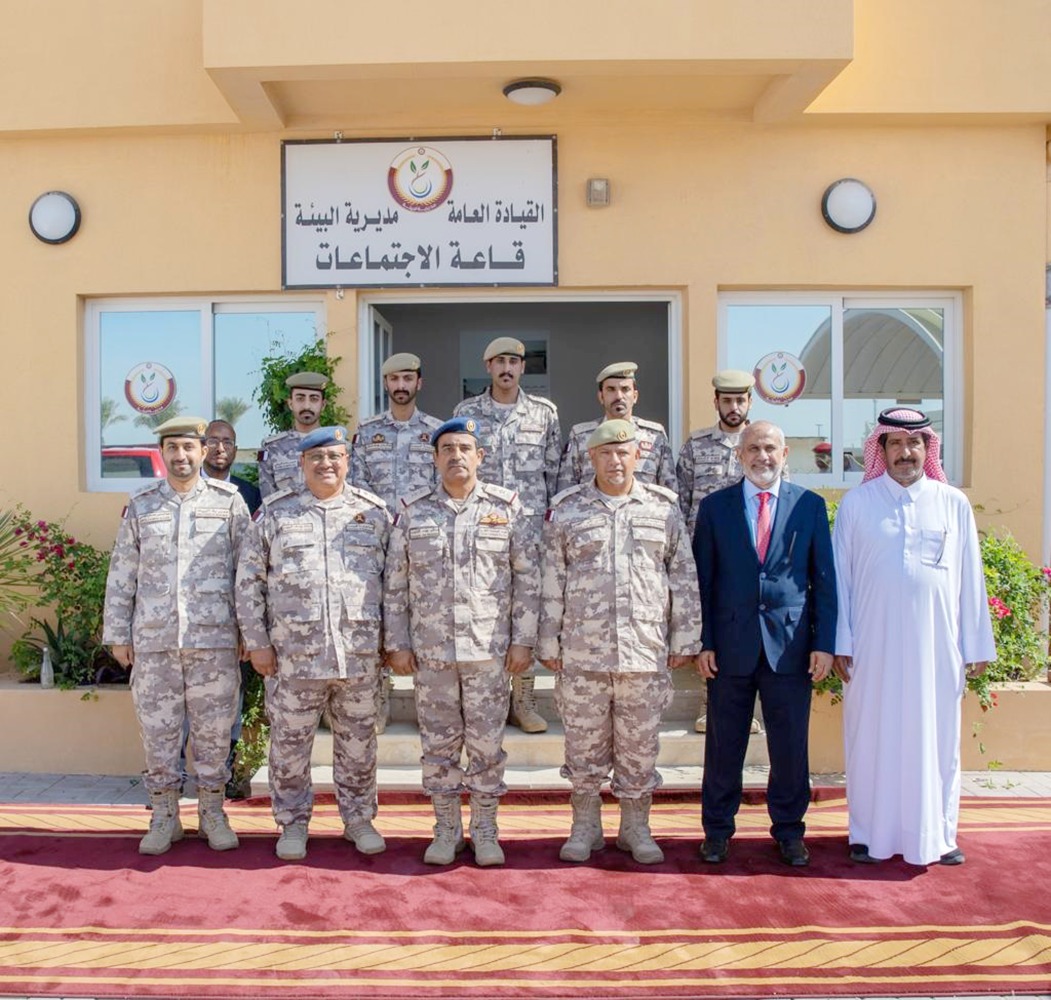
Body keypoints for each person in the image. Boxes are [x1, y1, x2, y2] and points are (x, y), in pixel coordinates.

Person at [832, 408, 995, 867]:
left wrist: (976, 644)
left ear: (928, 449)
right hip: (870, 648)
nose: (906, 452)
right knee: (870, 737)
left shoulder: (952, 503)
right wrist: (841, 640)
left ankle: (939, 835)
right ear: (880, 450)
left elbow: (970, 578)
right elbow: (839, 582)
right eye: (896, 444)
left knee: (937, 736)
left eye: (915, 443)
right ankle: (866, 835)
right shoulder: (857, 505)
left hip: (936, 647)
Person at [539, 420, 701, 865]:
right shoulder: (567, 509)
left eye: (623, 453)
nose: (615, 461)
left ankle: (636, 828)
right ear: (591, 458)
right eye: (605, 453)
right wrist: (547, 643)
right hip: (582, 652)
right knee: (583, 745)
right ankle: (585, 827)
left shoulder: (663, 508)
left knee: (639, 745)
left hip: (644, 650)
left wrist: (685, 635)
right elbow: (552, 578)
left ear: (636, 457)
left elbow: (682, 575)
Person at [383, 417, 540, 867]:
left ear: (480, 456)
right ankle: (446, 828)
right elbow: (395, 585)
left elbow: (526, 580)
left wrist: (523, 641)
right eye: (447, 449)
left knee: (487, 743)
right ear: (435, 459)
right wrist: (397, 642)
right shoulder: (413, 512)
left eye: (464, 448)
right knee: (438, 744)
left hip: (488, 652)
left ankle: (486, 828)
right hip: (432, 654)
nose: (456, 456)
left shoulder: (506, 508)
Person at [236, 426, 391, 862]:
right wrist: (258, 642)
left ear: (348, 461)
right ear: (301, 464)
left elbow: (394, 584)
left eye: (335, 457)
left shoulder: (373, 514)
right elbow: (249, 583)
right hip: (292, 658)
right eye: (317, 458)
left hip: (357, 655)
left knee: (359, 743)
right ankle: (292, 823)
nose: (326, 464)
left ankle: (359, 819)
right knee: (289, 744)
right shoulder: (276, 515)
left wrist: (393, 642)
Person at [692, 420, 836, 867]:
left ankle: (790, 831)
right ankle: (717, 831)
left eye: (771, 448)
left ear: (785, 453)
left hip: (791, 648)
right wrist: (704, 642)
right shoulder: (715, 508)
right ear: (739, 455)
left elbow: (824, 581)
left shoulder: (809, 506)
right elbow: (703, 582)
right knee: (723, 746)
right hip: (730, 647)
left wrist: (824, 643)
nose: (762, 456)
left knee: (790, 747)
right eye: (753, 448)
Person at [103, 416, 248, 856]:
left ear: (204, 451)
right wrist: (116, 633)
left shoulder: (229, 502)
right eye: (172, 448)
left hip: (215, 643)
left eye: (189, 447)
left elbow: (247, 573)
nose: (181, 456)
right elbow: (122, 572)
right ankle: (165, 815)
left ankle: (212, 813)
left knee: (214, 734)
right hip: (155, 642)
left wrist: (249, 631)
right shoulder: (142, 504)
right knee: (159, 733)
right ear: (162, 454)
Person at [453, 336, 561, 734]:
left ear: (522, 368)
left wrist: (551, 529)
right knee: (486, 608)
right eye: (499, 361)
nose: (507, 368)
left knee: (526, 608)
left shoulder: (545, 414)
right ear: (487, 366)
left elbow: (556, 475)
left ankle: (524, 697)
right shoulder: (467, 413)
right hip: (482, 530)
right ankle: (489, 698)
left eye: (513, 362)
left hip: (529, 530)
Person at [350, 352, 442, 733]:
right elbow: (356, 483)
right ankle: (380, 696)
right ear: (385, 385)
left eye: (408, 378)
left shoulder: (437, 431)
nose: (401, 386)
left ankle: (432, 700)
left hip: (424, 538)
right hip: (378, 539)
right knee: (375, 616)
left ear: (419, 383)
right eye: (394, 379)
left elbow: (443, 484)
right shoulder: (367, 431)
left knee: (428, 614)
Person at [677, 370, 763, 735]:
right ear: (716, 402)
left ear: (749, 402)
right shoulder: (697, 447)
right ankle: (707, 700)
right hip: (705, 552)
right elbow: (680, 501)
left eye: (740, 400)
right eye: (727, 400)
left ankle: (752, 708)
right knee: (708, 624)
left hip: (750, 555)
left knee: (747, 626)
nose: (734, 407)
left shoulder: (762, 443)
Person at [556, 361, 676, 493]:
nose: (619, 396)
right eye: (611, 389)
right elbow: (566, 491)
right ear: (601, 397)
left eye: (625, 389)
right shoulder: (580, 436)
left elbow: (670, 492)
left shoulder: (655, 436)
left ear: (635, 396)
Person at [258, 371, 329, 498]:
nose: (307, 405)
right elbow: (268, 499)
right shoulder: (273, 448)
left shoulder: (337, 446)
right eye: (300, 398)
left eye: (314, 399)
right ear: (290, 403)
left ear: (323, 405)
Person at [203, 419, 262, 514]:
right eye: (213, 442)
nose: (220, 449)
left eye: (227, 443)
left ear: (235, 451)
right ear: (202, 448)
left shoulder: (252, 495)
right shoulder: (186, 487)